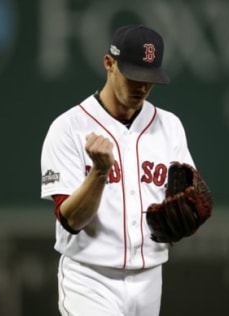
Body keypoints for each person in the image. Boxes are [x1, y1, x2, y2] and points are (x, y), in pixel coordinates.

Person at [40, 25, 197, 316]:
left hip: (150, 277)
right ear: (109, 64)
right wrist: (99, 173)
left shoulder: (170, 126)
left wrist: (181, 221)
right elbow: (72, 219)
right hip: (90, 277)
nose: (142, 87)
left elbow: (182, 207)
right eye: (134, 76)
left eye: (150, 79)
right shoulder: (68, 128)